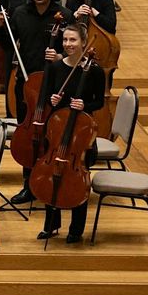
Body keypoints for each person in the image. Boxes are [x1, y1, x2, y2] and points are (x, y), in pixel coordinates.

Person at [36, 24, 105, 244]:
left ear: (84, 42)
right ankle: (51, 225)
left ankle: (76, 229)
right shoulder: (56, 67)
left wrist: (85, 105)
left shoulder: (94, 70)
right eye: (65, 40)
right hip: (58, 130)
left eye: (73, 40)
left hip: (82, 133)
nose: (68, 44)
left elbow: (99, 102)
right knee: (52, 174)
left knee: (78, 179)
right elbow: (48, 96)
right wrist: (53, 100)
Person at [8, 0, 72, 205]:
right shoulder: (20, 14)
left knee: (52, 136)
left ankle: (50, 184)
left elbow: (74, 48)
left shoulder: (64, 15)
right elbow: (8, 43)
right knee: (29, 138)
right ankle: (28, 185)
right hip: (27, 87)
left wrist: (61, 56)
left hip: (56, 87)